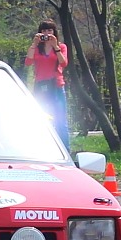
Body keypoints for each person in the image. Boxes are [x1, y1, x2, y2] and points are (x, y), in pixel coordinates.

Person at [24, 19, 70, 149]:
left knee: (60, 121)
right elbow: (28, 62)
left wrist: (55, 47)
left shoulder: (61, 47)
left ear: (54, 32)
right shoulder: (36, 48)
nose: (47, 34)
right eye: (44, 31)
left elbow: (64, 63)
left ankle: (65, 150)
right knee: (41, 119)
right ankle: (42, 148)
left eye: (49, 30)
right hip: (41, 86)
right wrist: (34, 44)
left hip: (56, 86)